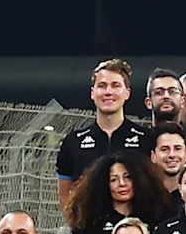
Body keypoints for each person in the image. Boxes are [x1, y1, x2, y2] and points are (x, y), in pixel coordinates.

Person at [58, 60, 151, 188]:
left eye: (115, 86)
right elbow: (66, 200)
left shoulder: (146, 139)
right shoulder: (73, 142)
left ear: (127, 93)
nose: (108, 92)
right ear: (92, 92)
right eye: (102, 86)